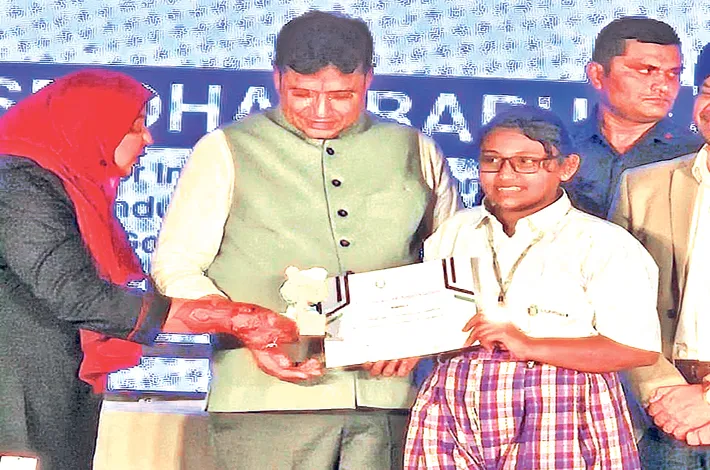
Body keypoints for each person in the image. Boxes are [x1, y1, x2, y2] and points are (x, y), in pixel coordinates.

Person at [151, 10, 461, 469]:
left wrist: (423, 337)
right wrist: (245, 326)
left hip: (390, 401)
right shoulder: (225, 149)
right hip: (264, 399)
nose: (320, 112)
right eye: (302, 94)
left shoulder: (416, 150)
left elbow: (452, 264)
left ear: (369, 79)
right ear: (277, 78)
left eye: (342, 96)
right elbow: (176, 265)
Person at [0, 69, 310, 470]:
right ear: (85, 126)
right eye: (134, 127)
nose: (147, 139)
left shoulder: (66, 186)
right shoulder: (20, 187)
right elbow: (79, 297)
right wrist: (232, 318)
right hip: (15, 406)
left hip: (49, 397)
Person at [404, 105, 661, 469]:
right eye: (492, 161)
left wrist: (527, 345)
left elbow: (637, 349)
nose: (505, 174)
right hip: (455, 398)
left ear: (566, 167)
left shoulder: (602, 242)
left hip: (560, 403)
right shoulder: (455, 230)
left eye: (526, 162)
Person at [609, 42, 710, 468]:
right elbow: (611, 303)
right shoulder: (642, 186)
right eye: (707, 91)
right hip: (665, 411)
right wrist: (663, 392)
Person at [566, 16, 703, 218]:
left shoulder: (697, 156)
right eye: (646, 71)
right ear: (597, 75)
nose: (663, 86)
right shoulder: (555, 148)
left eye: (673, 73)